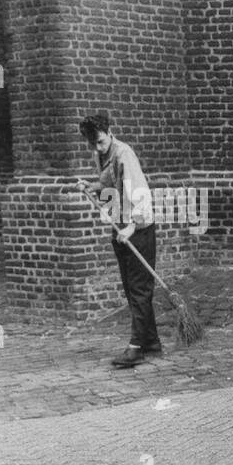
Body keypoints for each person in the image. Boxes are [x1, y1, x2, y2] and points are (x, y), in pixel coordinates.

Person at [78, 112, 160, 368]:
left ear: (109, 132)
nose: (97, 148)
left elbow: (140, 193)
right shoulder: (100, 154)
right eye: (93, 145)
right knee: (131, 287)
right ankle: (151, 342)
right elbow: (109, 184)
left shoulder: (124, 154)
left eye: (101, 142)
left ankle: (136, 347)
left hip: (138, 229)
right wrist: (92, 187)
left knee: (139, 288)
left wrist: (132, 226)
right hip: (120, 227)